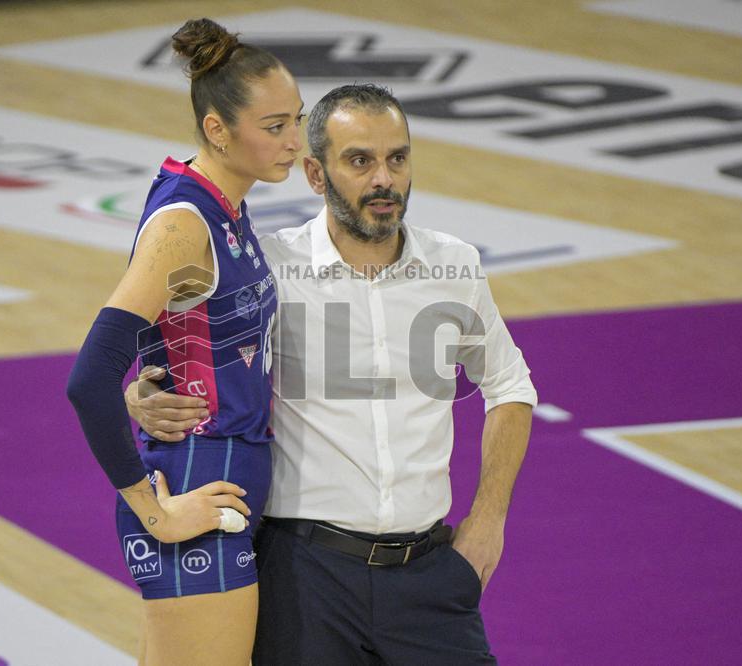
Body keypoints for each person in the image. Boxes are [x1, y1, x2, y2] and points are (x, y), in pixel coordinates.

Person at [127, 84, 536, 665]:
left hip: (430, 575)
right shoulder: (269, 269)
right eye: (360, 161)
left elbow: (510, 387)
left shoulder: (455, 267)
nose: (384, 180)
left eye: (397, 157)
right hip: (306, 578)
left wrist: (489, 520)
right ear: (316, 175)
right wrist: (141, 394)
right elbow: (182, 360)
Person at [65, 17, 303, 666]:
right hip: (199, 489)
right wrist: (156, 513)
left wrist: (152, 380)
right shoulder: (184, 223)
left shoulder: (225, 201)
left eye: (298, 120)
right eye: (274, 126)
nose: (294, 142)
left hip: (226, 483)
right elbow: (89, 381)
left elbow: (176, 330)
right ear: (217, 129)